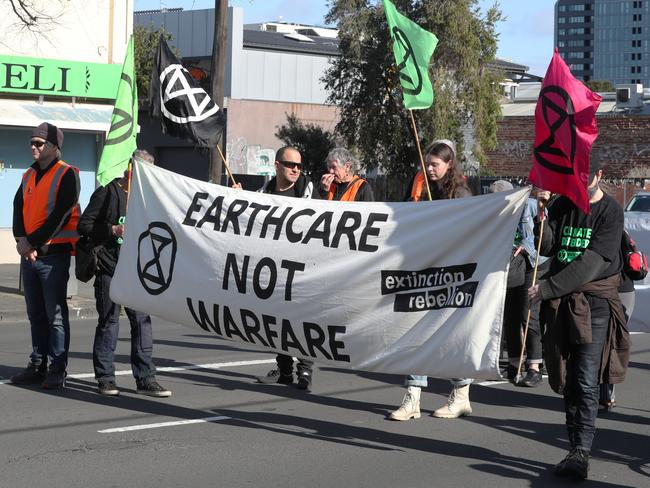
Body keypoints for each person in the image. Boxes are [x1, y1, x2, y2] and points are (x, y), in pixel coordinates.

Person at [528, 160, 628, 479]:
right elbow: (547, 247)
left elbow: (592, 263)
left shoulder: (610, 211)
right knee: (567, 378)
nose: (577, 181)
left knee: (585, 379)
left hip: (594, 303)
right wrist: (542, 209)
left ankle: (581, 453)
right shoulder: (561, 203)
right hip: (561, 304)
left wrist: (547, 288)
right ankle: (573, 446)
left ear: (600, 175)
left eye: (584, 176)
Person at [390, 139, 475, 421]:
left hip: (450, 274)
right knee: (417, 332)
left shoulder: (460, 193)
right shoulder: (421, 188)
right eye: (427, 163)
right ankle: (412, 398)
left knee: (448, 336)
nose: (429, 168)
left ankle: (461, 394)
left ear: (449, 164)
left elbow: (465, 234)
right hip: (423, 271)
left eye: (435, 164)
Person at [76, 150, 171, 397]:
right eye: (141, 169)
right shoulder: (108, 192)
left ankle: (146, 378)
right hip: (110, 268)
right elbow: (84, 225)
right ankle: (106, 379)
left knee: (142, 323)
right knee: (109, 322)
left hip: (139, 272)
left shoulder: (153, 198)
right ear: (130, 168)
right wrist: (112, 229)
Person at [10, 122, 80, 389]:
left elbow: (61, 215)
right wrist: (21, 241)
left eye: (39, 143)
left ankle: (57, 368)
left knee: (55, 316)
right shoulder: (28, 174)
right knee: (35, 314)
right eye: (32, 142)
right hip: (30, 255)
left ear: (54, 147)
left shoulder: (67, 174)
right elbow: (18, 208)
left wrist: (32, 243)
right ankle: (37, 364)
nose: (33, 147)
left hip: (53, 256)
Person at [254, 146, 316, 391]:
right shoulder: (264, 191)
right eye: (291, 165)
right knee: (275, 320)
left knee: (301, 319)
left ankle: (305, 369)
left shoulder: (307, 190)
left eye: (299, 166)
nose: (296, 170)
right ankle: (284, 369)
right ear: (277, 165)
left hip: (302, 268)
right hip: (273, 268)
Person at [503, 185, 549, 387]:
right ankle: (514, 364)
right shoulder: (497, 214)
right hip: (510, 266)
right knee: (509, 315)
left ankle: (534, 367)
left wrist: (525, 246)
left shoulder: (529, 206)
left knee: (528, 314)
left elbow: (542, 232)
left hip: (533, 263)